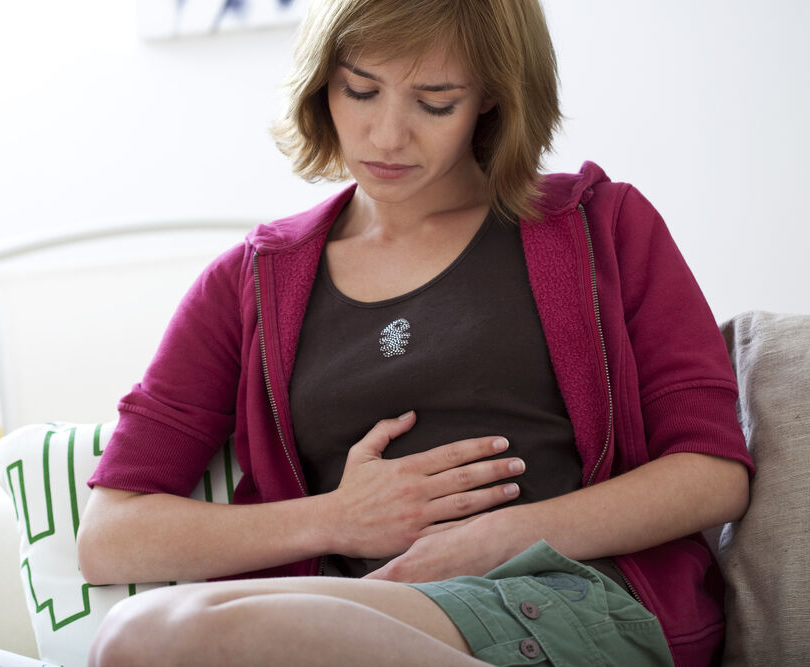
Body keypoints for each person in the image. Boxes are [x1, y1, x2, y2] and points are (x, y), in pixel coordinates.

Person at [77, 0, 754, 664]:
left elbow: (711, 474)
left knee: (155, 638)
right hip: (362, 611)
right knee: (134, 633)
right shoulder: (251, 281)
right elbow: (111, 534)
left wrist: (497, 538)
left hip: (567, 599)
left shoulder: (600, 224)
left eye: (434, 101)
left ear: (491, 97)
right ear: (322, 83)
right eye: (361, 91)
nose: (387, 136)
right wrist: (337, 517)